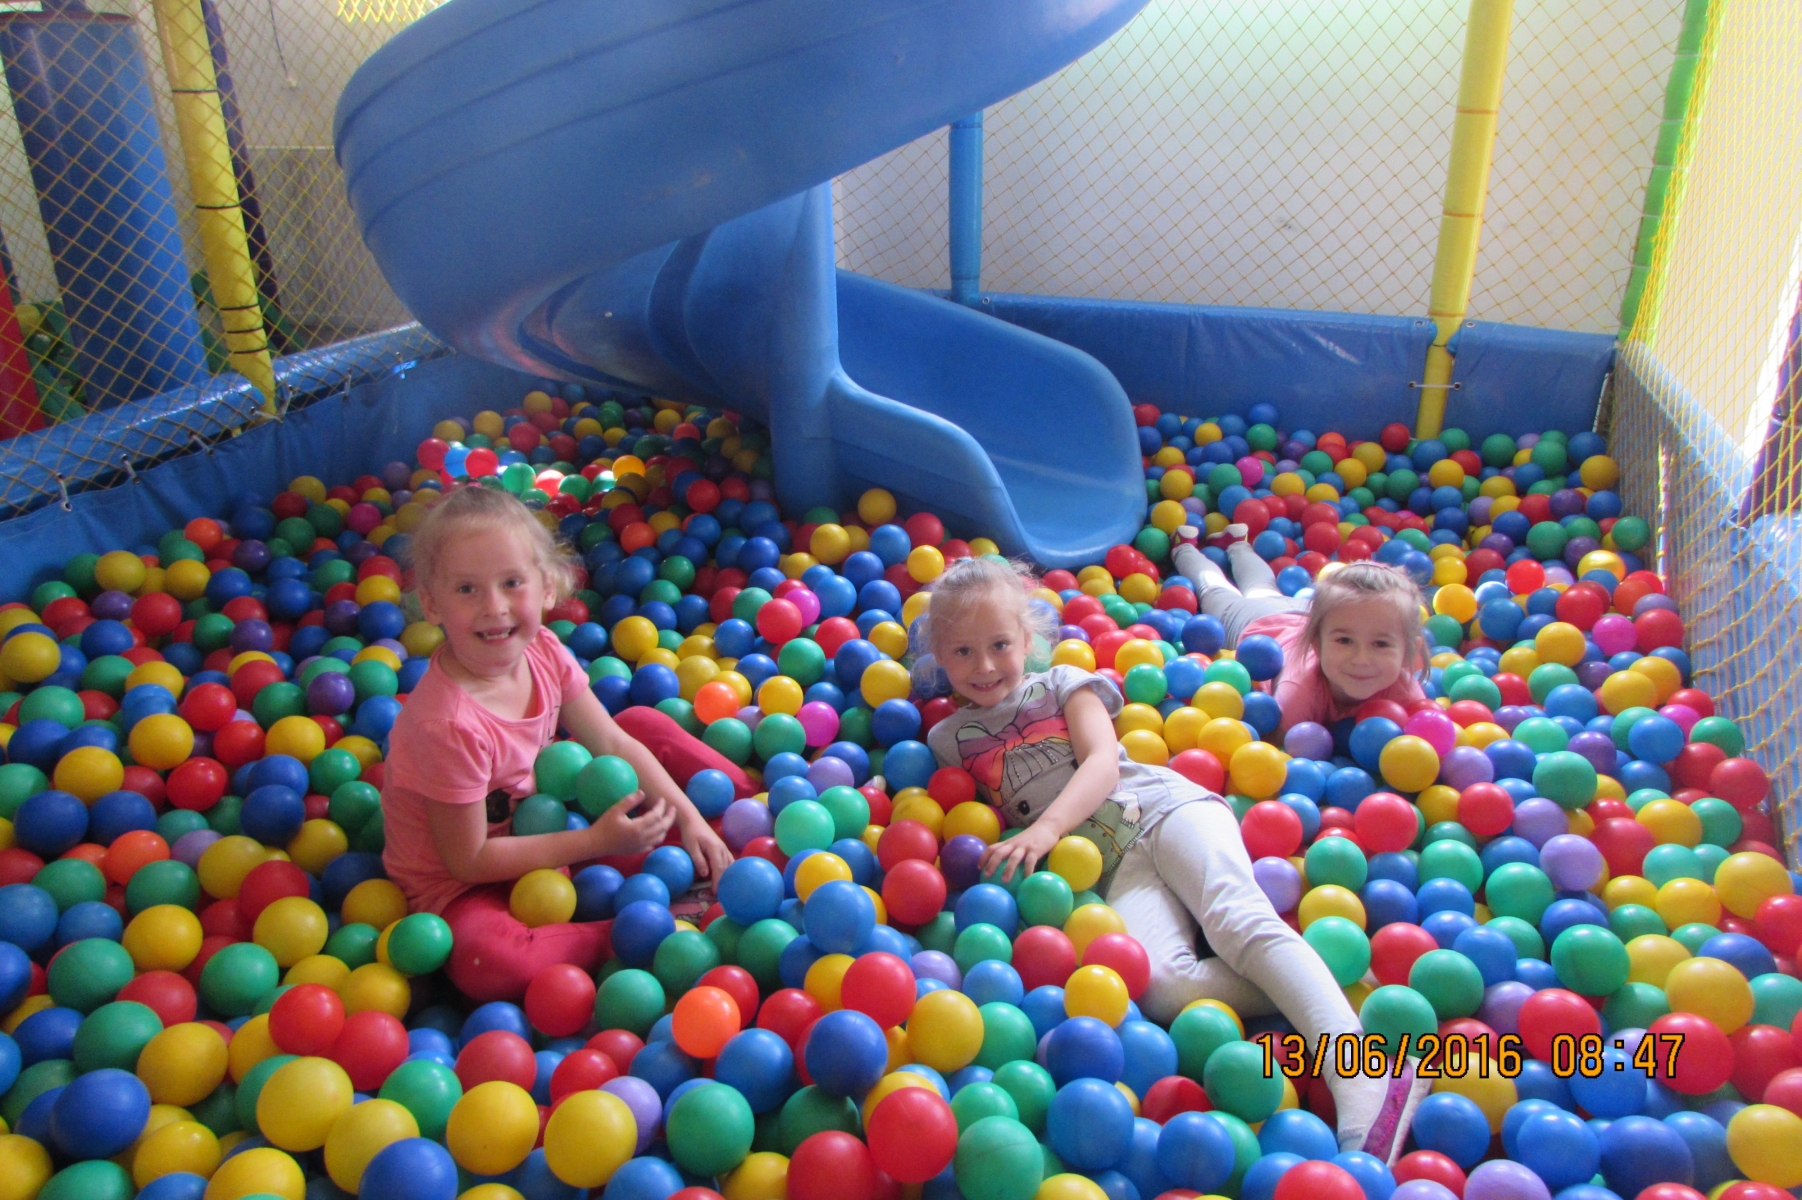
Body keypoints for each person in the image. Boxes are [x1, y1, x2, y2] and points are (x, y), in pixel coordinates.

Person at [916, 555, 1426, 1159]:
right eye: (963, 651)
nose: (984, 666)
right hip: (1111, 867)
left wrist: (1046, 830)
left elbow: (1103, 763)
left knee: (1233, 921)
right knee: (1161, 988)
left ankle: (1365, 1074)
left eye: (999, 644)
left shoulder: (1063, 683)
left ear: (1027, 640)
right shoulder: (946, 741)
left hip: (1165, 809)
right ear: (939, 657)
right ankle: (1318, 982)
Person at [381, 485, 739, 1002]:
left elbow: (612, 741)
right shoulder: (447, 725)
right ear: (432, 604)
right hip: (465, 887)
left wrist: (689, 817)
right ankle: (647, 931)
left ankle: (749, 811)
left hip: (552, 828)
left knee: (641, 723)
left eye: (511, 583)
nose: (494, 607)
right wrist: (596, 841)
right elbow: (468, 860)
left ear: (547, 587)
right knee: (490, 962)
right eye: (467, 589)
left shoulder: (544, 651)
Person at [1173, 525, 1429, 735]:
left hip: (1308, 613)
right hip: (1261, 623)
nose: (1361, 659)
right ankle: (1184, 548)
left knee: (1263, 587)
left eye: (1381, 644)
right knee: (1216, 591)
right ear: (1316, 643)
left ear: (1409, 652)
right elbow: (1284, 751)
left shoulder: (1404, 689)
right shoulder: (1299, 690)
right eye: (1344, 641)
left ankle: (1238, 543)